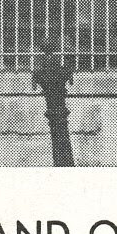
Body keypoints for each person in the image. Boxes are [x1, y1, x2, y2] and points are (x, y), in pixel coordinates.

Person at [30, 38, 75, 166]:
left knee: (58, 130)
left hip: (54, 108)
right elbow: (69, 68)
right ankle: (64, 163)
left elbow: (36, 77)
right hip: (58, 108)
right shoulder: (61, 71)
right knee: (60, 131)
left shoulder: (41, 72)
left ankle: (63, 163)